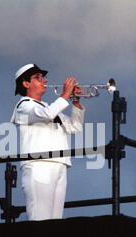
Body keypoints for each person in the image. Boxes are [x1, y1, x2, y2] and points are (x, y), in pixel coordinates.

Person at [10, 64, 85, 221]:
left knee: (55, 220)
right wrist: (65, 94)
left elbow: (74, 127)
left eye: (43, 77)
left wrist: (76, 101)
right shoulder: (24, 106)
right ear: (26, 84)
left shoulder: (47, 107)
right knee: (40, 218)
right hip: (39, 164)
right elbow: (47, 114)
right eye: (38, 77)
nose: (43, 80)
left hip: (60, 163)